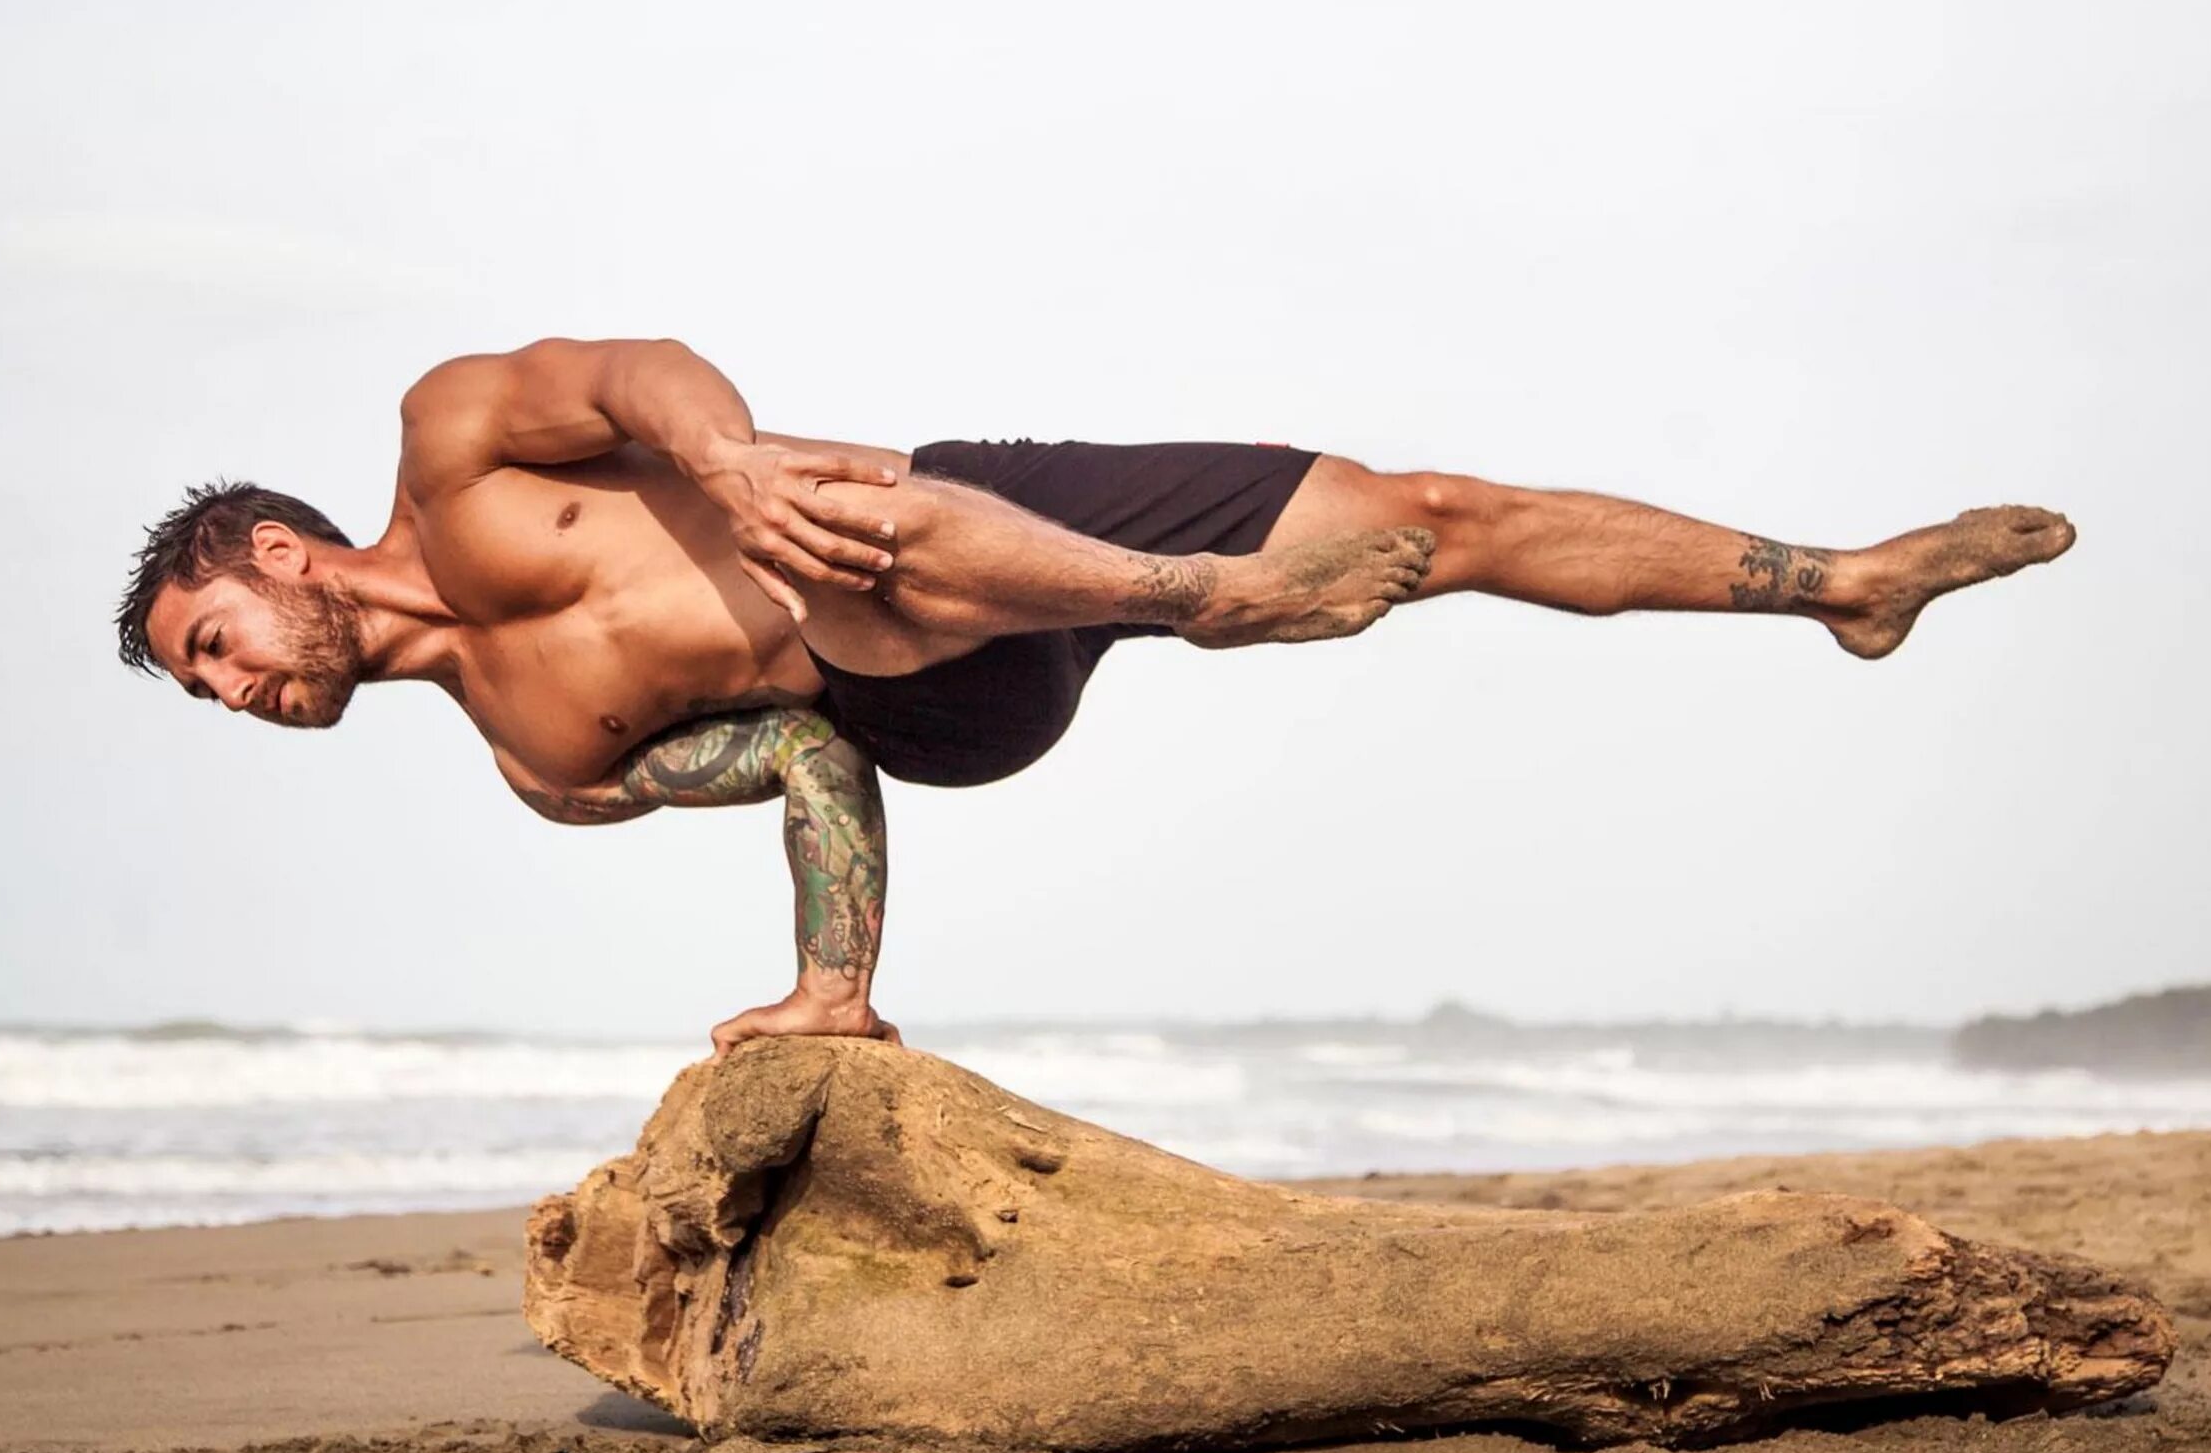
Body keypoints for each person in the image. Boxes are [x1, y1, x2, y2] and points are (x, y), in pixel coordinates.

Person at [117, 337, 2074, 1050]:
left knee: (1434, 515)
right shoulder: (542, 763)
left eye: (212, 647)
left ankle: (1847, 585)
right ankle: (1200, 599)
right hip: (941, 694)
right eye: (204, 692)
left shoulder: (454, 443)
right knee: (842, 593)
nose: (233, 696)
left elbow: (639, 374)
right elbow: (798, 753)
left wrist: (719, 468)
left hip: (975, 516)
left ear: (275, 554)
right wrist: (835, 983)